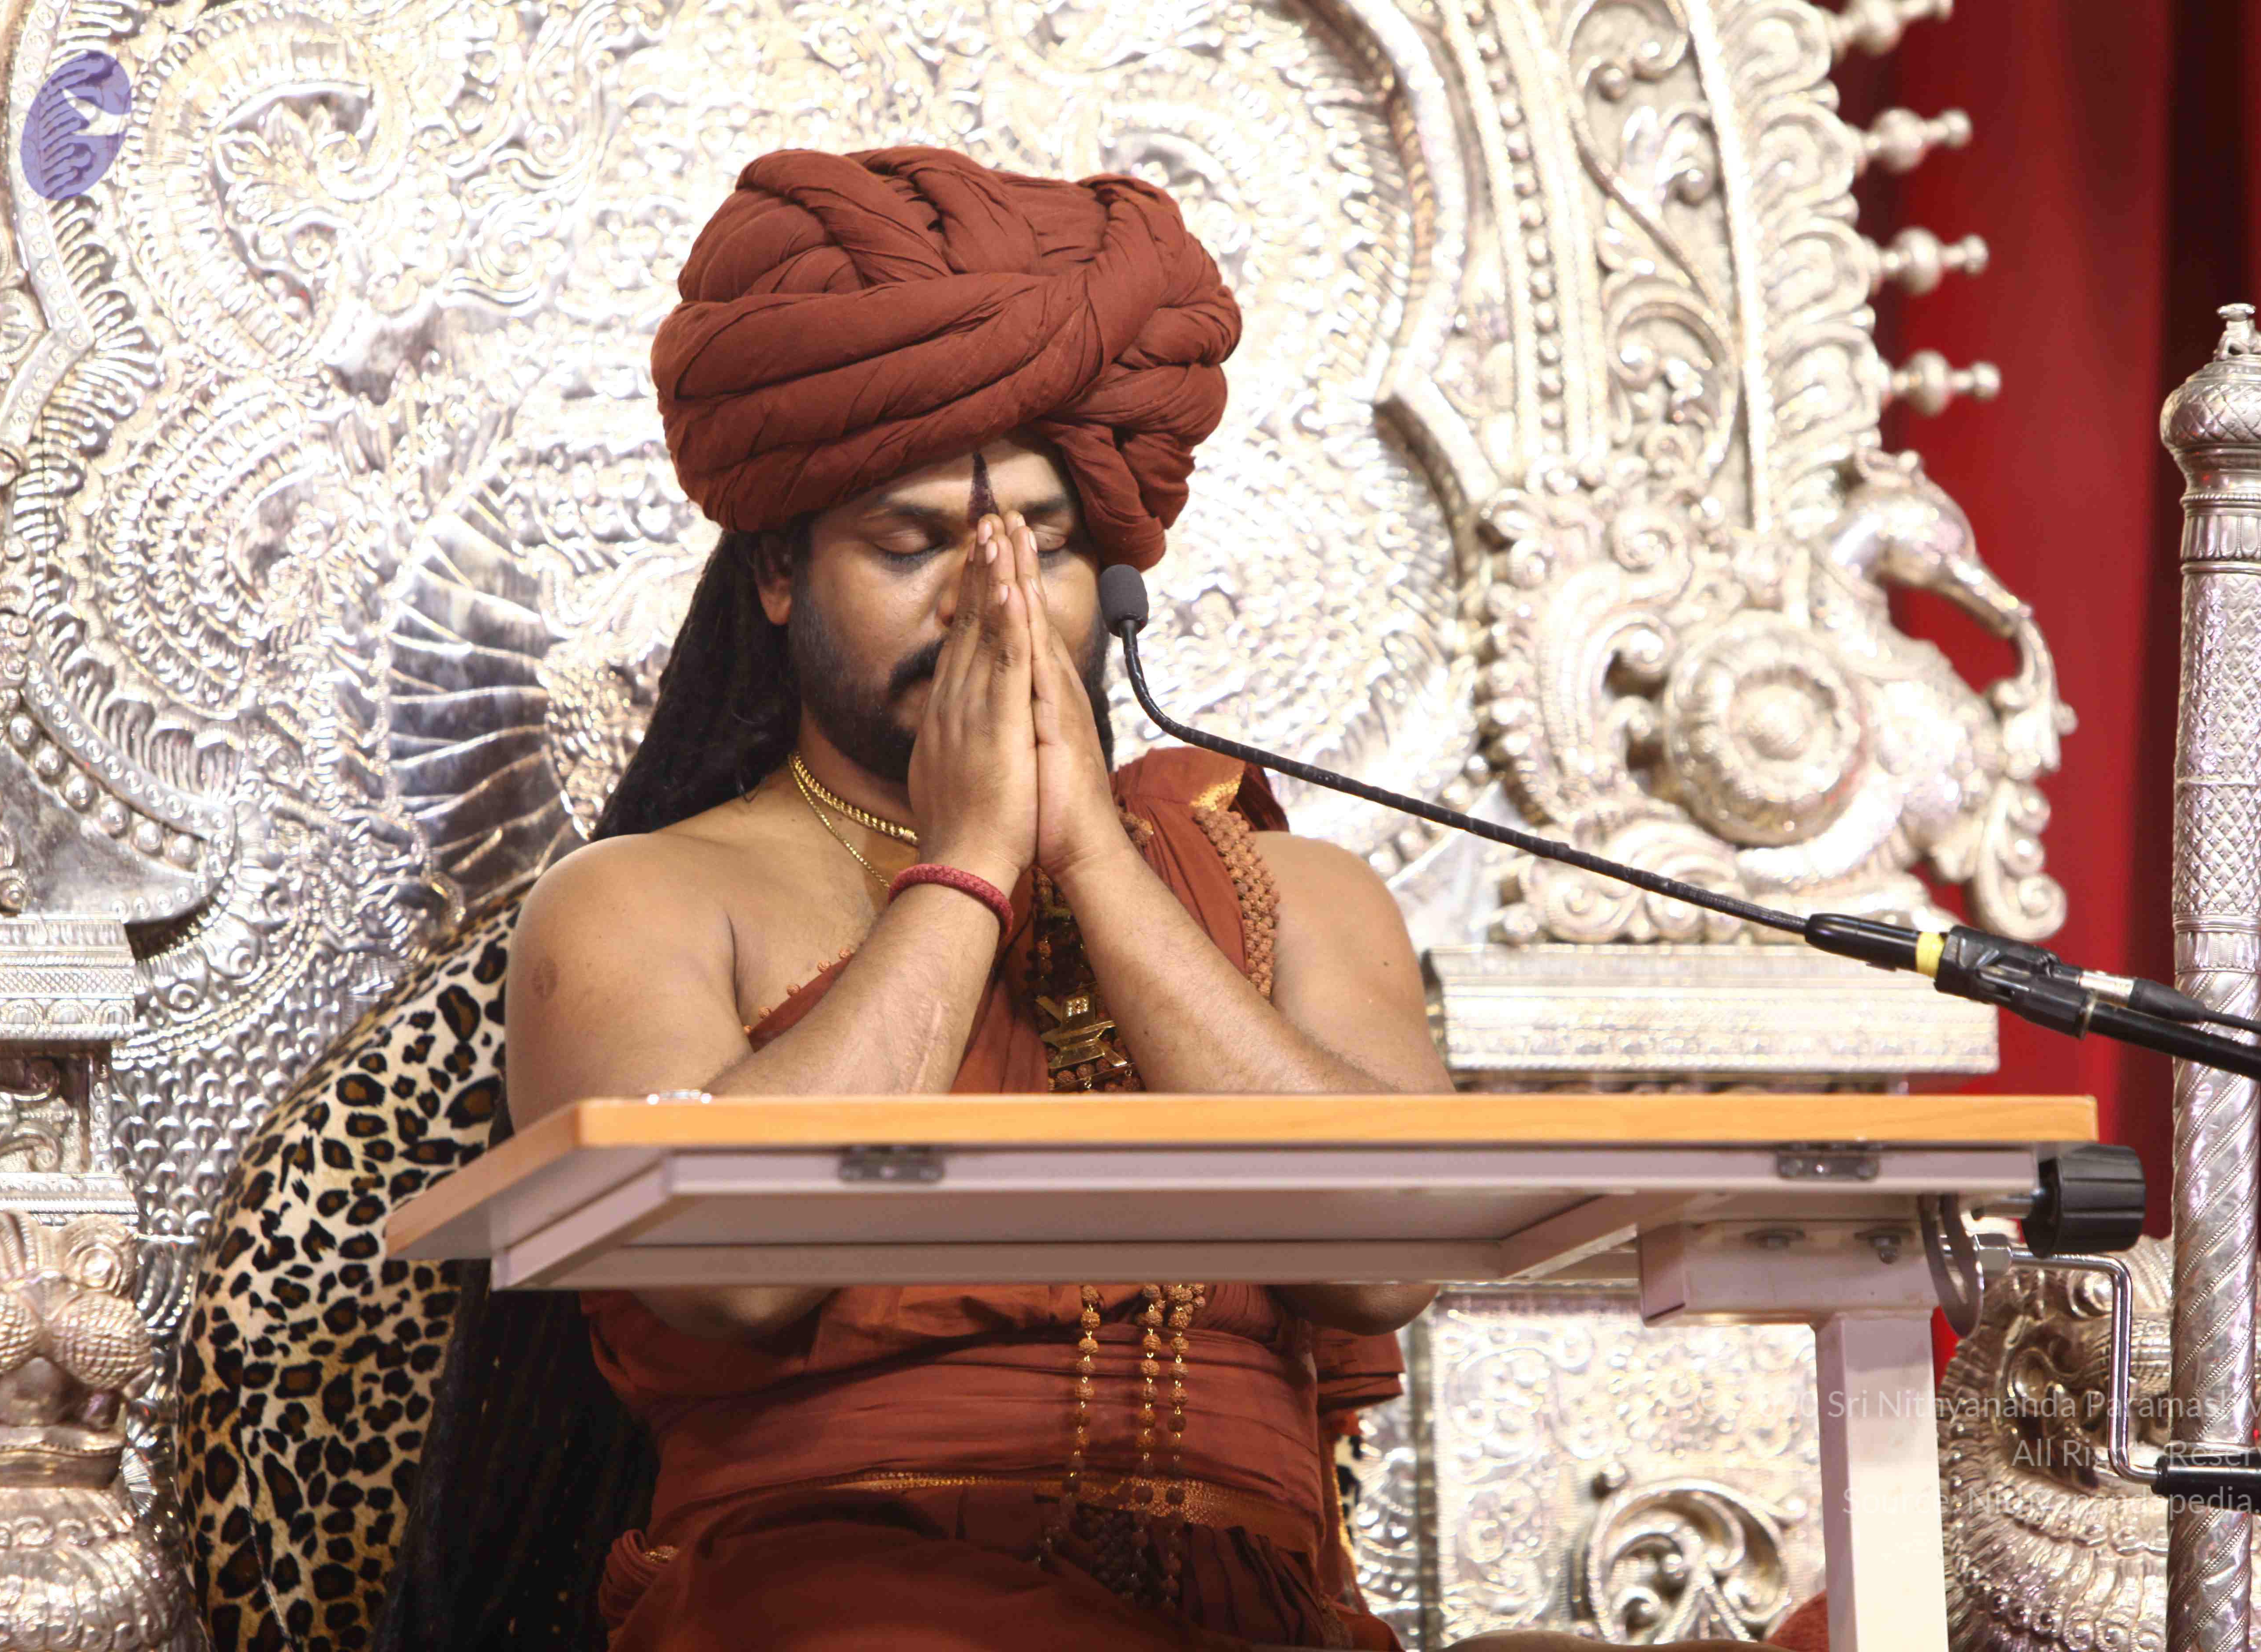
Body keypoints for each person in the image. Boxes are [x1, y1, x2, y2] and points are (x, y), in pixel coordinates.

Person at [377, 145, 1799, 1652]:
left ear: (1111, 586)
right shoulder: (636, 906)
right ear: (779, 576)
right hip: (848, 1610)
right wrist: (969, 868)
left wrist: (1101, 867)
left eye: (1044, 546)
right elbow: (734, 1279)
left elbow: (1384, 1264)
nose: (988, 602)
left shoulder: (1295, 894)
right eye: (911, 543)